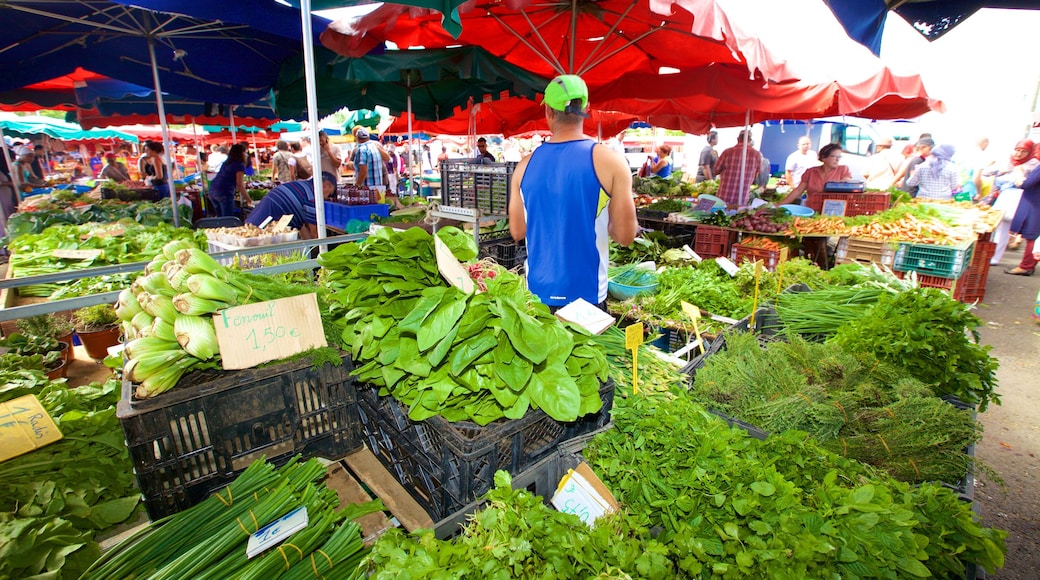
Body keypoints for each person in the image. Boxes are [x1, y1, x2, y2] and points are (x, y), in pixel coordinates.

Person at [508, 74, 637, 310]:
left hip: (538, 295)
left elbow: (517, 231)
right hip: (587, 296)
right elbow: (625, 236)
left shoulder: (523, 166)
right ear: (587, 108)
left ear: (547, 111)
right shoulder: (612, 163)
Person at [987, 140, 1038, 265]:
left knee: (1016, 229)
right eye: (1017, 150)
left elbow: (1023, 183)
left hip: (1021, 198)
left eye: (1023, 151)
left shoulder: (1034, 164)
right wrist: (1002, 171)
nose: (1019, 154)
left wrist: (1016, 174)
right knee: (998, 228)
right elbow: (986, 171)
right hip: (1004, 197)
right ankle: (993, 257)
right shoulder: (1008, 161)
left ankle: (1023, 263)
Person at [246, 171, 337, 240]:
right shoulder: (312, 197)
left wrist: (309, 246)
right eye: (330, 194)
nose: (326, 198)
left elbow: (301, 226)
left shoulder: (301, 186)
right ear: (326, 185)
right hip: (264, 228)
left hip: (257, 220)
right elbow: (315, 234)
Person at [780, 143, 853, 204]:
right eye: (834, 156)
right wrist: (779, 205)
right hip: (811, 207)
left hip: (833, 210)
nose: (837, 159)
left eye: (839, 157)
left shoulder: (843, 169)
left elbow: (846, 185)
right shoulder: (810, 172)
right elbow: (798, 190)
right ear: (824, 157)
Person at [1005, 149, 1040, 276]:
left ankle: (1026, 266)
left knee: (1032, 237)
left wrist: (1019, 176)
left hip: (1036, 204)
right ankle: (1028, 265)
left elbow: (1027, 184)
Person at [713, 130, 763, 207]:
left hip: (723, 195)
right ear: (750, 140)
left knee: (720, 215)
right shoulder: (756, 154)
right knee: (737, 217)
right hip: (741, 198)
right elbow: (759, 172)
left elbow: (716, 170)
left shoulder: (727, 152)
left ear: (738, 139)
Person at [208, 143, 249, 217]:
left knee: (220, 218)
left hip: (212, 190)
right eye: (245, 152)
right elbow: (240, 185)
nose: (246, 154)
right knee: (227, 219)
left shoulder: (227, 163)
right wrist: (249, 200)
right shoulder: (239, 165)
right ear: (241, 153)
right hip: (224, 192)